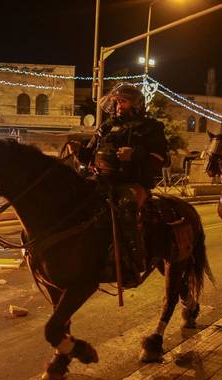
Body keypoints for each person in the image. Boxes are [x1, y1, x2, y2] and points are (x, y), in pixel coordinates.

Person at [68, 82, 168, 278]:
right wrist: (79, 151)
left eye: (122, 102)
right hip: (102, 180)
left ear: (136, 104)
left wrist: (136, 154)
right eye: (116, 102)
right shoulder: (105, 128)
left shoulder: (151, 127)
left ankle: (134, 261)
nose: (118, 106)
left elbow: (162, 159)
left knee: (126, 206)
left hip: (133, 183)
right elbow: (89, 156)